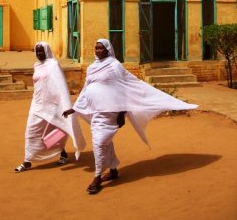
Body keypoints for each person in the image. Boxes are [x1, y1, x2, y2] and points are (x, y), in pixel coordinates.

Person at [63, 38, 198, 194]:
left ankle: (97, 177)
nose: (98, 51)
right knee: (105, 142)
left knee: (99, 143)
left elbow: (124, 89)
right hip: (96, 112)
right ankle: (113, 170)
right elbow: (86, 89)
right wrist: (74, 108)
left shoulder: (115, 66)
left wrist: (122, 112)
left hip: (112, 111)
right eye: (96, 48)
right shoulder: (92, 67)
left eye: (101, 48)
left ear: (108, 50)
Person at [15, 42, 86, 172]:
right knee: (31, 131)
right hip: (37, 104)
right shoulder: (37, 65)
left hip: (53, 105)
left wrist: (63, 104)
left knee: (55, 129)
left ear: (47, 51)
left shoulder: (53, 65)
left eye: (41, 51)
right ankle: (27, 160)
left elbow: (60, 86)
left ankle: (62, 153)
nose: (39, 54)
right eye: (37, 51)